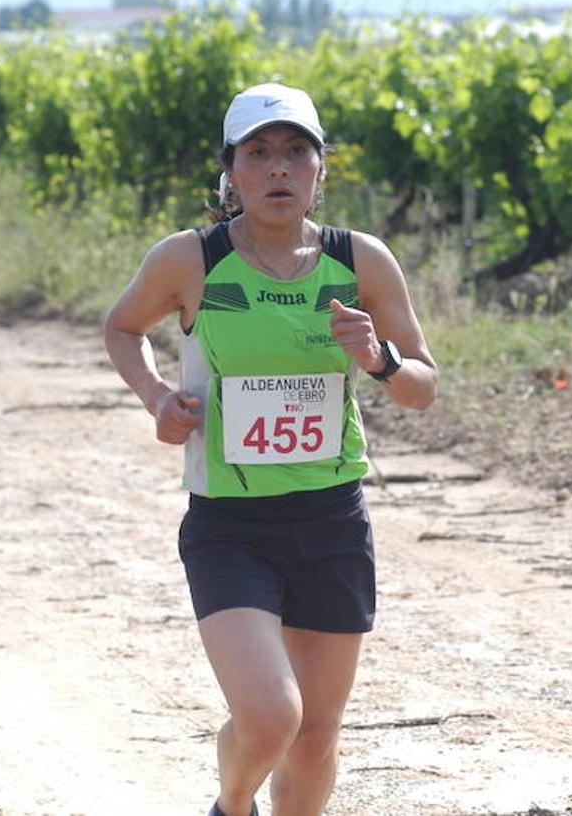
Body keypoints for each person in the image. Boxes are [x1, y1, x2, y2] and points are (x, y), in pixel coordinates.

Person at [104, 82, 438, 816]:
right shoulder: (191, 260)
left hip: (330, 522)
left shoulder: (360, 260)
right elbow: (121, 326)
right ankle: (231, 806)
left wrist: (379, 359)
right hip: (230, 525)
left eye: (296, 153)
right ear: (231, 172)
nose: (278, 169)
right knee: (270, 718)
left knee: (315, 741)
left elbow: (421, 385)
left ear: (321, 171)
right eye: (258, 154)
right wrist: (158, 398)